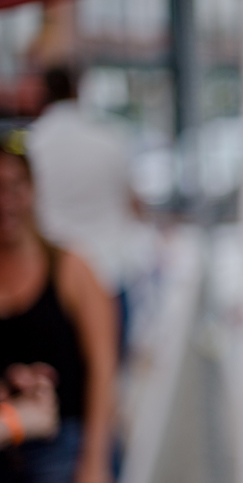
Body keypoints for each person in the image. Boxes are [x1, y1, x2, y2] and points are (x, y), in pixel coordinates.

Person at [0, 133, 117, 483]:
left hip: (58, 447)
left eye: (14, 187)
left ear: (33, 190)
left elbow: (105, 369)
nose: (6, 201)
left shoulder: (70, 267)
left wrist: (95, 460)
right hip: (8, 445)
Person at [27, 66, 142, 357]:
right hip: (109, 273)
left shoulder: (33, 143)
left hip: (54, 282)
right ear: (78, 90)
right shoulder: (108, 138)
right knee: (110, 374)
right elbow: (133, 203)